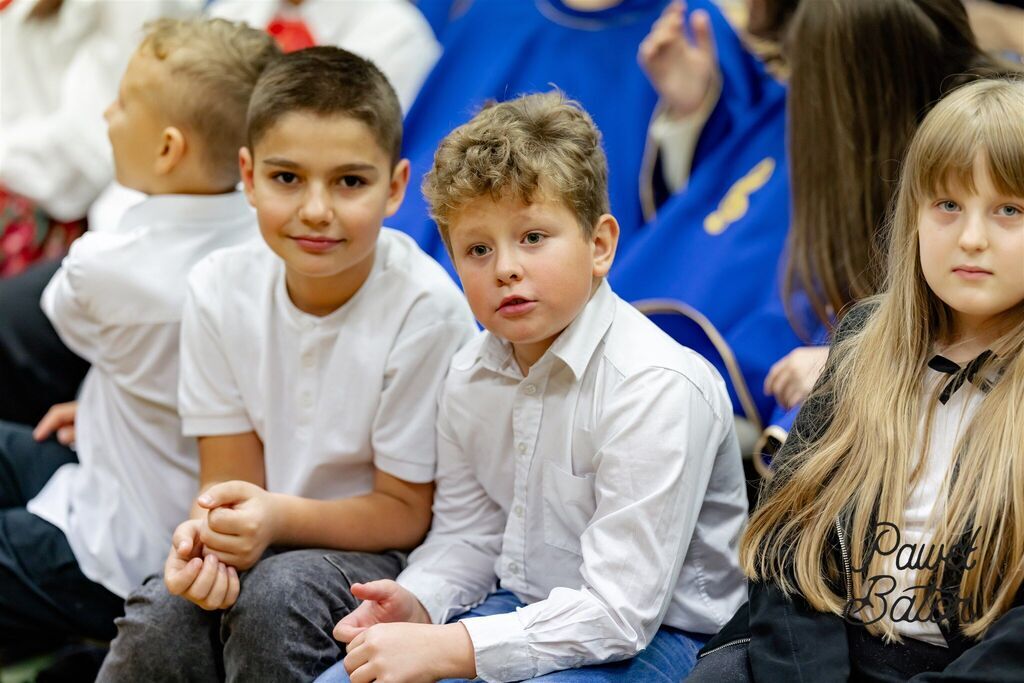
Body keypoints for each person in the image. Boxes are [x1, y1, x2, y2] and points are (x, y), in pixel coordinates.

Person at [316, 92, 748, 683]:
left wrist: (451, 649)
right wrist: (417, 604)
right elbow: (469, 535)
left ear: (599, 245)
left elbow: (619, 614)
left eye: (534, 237)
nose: (505, 269)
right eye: (477, 249)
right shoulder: (471, 373)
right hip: (519, 609)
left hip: (664, 640)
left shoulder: (655, 384)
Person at [97, 46, 476, 682]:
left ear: (395, 187)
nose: (316, 210)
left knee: (277, 597)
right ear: (247, 175)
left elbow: (406, 512)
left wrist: (273, 517)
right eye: (286, 178)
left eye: (350, 181)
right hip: (269, 534)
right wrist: (207, 540)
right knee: (164, 608)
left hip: (381, 552)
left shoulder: (426, 310)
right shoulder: (219, 285)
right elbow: (227, 483)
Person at [691, 77, 1024, 681]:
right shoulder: (863, 340)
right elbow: (786, 542)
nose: (972, 238)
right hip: (823, 659)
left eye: (1009, 210)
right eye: (948, 205)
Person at [0, 16, 278, 656]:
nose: (106, 112)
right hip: (115, 461)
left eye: (123, 102)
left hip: (115, 541)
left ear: (167, 149)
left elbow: (67, 317)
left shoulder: (108, 265)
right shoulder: (265, 243)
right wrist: (108, 400)